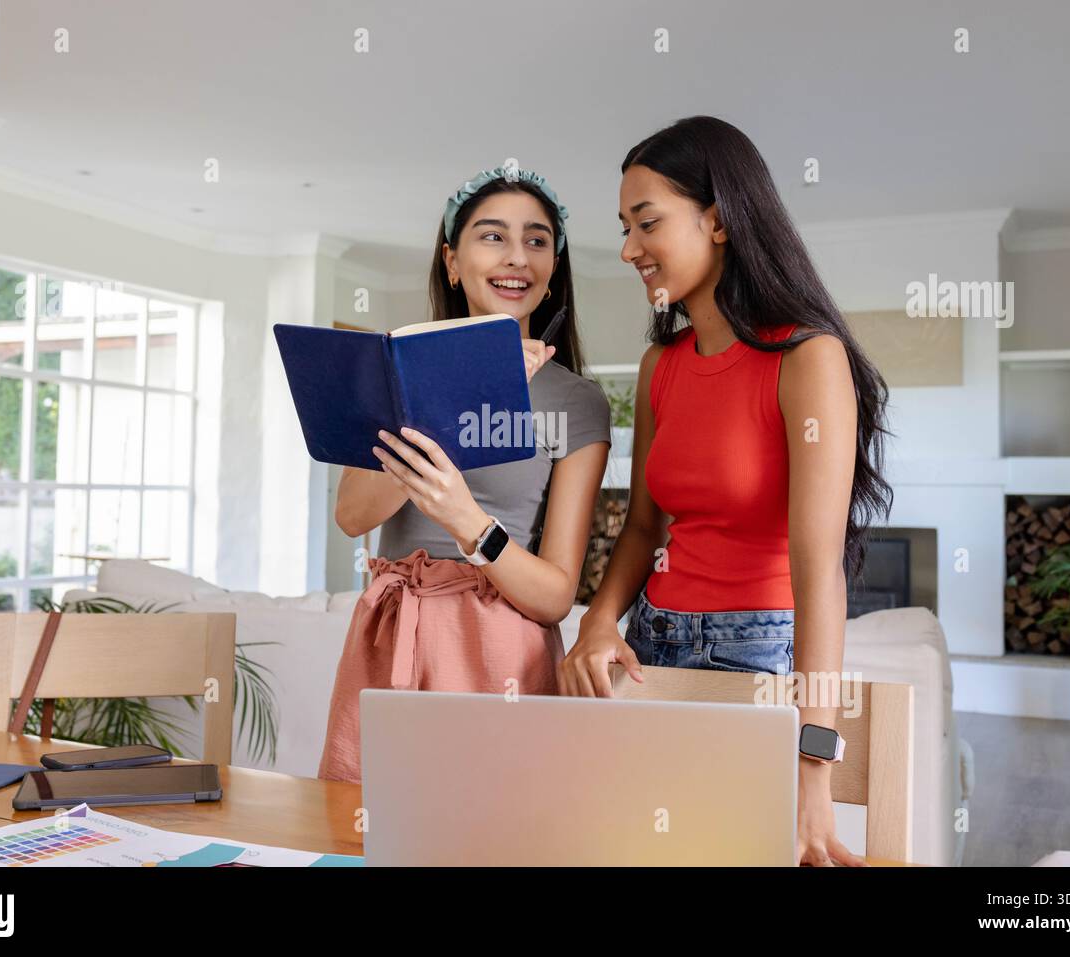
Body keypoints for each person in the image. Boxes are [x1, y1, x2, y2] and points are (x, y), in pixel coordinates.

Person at [558, 116, 894, 867]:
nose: (627, 249)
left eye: (647, 223)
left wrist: (814, 771)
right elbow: (643, 527)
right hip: (651, 647)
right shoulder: (661, 367)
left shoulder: (808, 358)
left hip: (760, 657)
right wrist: (598, 621)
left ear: (718, 219)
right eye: (624, 226)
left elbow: (819, 572)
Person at [318, 164, 612, 783]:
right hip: (391, 632)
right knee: (362, 831)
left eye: (537, 240)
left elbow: (556, 595)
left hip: (500, 648)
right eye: (493, 236)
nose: (518, 257)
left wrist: (468, 522)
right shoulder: (392, 366)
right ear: (453, 262)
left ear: (552, 268)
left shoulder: (575, 403)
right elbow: (352, 516)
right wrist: (451, 402)